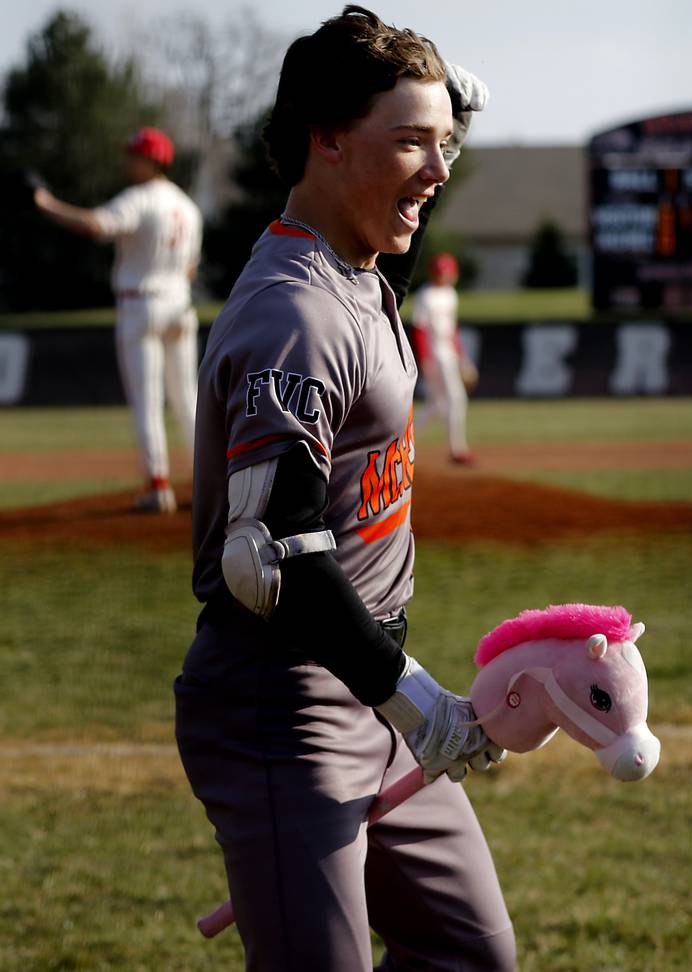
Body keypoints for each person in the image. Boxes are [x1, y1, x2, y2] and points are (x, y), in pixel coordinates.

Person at [173, 7, 515, 971]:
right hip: (284, 704)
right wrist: (416, 702)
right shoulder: (296, 313)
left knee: (470, 954)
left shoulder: (356, 256)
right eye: (412, 143)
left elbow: (407, 176)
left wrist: (435, 125)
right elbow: (269, 562)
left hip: (362, 687)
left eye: (443, 144)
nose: (438, 171)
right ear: (325, 141)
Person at [34, 127, 203, 513]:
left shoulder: (140, 199)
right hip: (180, 303)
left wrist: (44, 202)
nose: (126, 160)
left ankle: (158, 485)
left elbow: (96, 225)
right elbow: (191, 268)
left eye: (133, 154)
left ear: (151, 161)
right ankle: (205, 484)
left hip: (141, 303)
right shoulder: (188, 207)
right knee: (186, 398)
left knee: (147, 399)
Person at [411, 251, 478, 464]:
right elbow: (419, 330)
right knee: (457, 399)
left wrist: (463, 358)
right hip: (435, 354)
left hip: (448, 352)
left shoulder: (450, 294)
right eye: (442, 272)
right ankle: (458, 450)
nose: (445, 276)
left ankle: (401, 440)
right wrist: (425, 359)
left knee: (437, 406)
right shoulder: (425, 295)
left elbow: (453, 331)